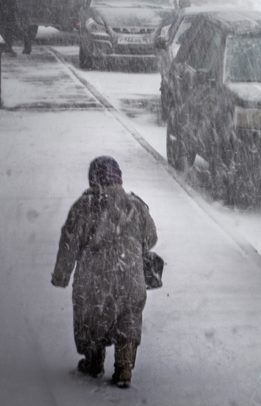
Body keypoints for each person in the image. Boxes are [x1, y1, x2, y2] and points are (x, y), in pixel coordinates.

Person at [51, 156, 158, 388]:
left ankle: (94, 361)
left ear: (93, 179)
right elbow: (151, 237)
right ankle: (124, 368)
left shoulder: (84, 206)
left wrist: (61, 275)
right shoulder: (135, 205)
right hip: (130, 277)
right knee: (128, 319)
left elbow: (68, 243)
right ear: (118, 178)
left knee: (91, 317)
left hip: (94, 280)